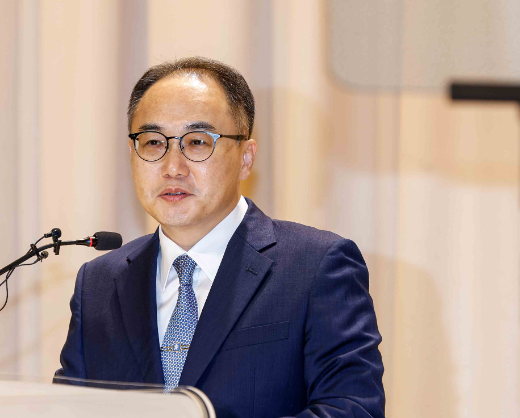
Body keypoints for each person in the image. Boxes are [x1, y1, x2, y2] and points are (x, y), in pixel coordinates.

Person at [56, 57, 385, 418]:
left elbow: (352, 409)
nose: (172, 167)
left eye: (197, 142)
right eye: (152, 142)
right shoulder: (98, 283)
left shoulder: (316, 267)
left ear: (246, 158)